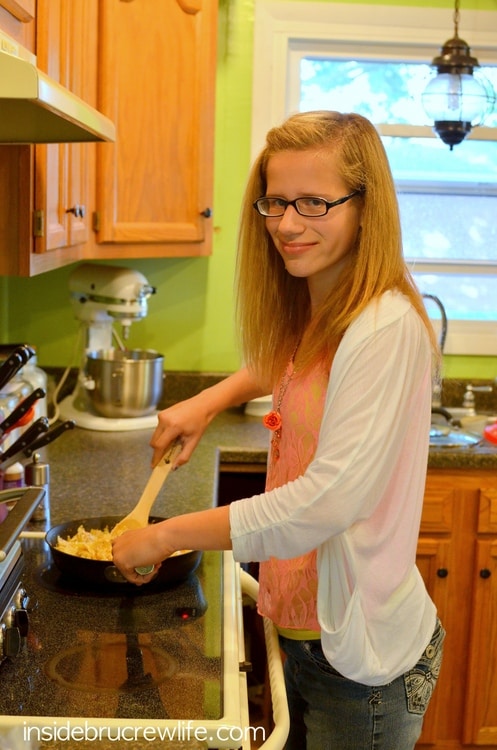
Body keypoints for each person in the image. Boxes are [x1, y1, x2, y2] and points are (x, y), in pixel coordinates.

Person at [112, 110, 445, 750]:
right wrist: (208, 402)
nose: (288, 225)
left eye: (315, 203)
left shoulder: (385, 328)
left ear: (365, 206)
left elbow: (325, 503)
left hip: (360, 662)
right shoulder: (326, 296)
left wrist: (165, 536)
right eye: (276, 202)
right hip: (304, 634)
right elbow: (291, 355)